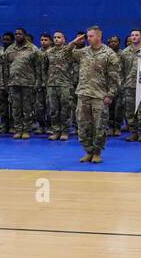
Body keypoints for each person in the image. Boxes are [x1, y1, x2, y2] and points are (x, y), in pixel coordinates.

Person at [64, 27, 120, 163]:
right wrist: (73, 43)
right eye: (87, 36)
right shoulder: (83, 52)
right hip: (83, 93)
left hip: (99, 95)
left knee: (99, 126)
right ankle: (88, 151)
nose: (88, 39)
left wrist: (110, 95)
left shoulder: (109, 54)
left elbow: (115, 77)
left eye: (91, 36)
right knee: (83, 125)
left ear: (99, 37)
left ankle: (97, 152)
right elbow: (65, 55)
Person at [45, 31, 76, 141]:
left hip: (65, 84)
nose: (56, 39)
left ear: (64, 39)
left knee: (65, 109)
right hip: (52, 84)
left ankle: (65, 131)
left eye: (59, 37)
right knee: (53, 109)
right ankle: (56, 131)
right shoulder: (49, 52)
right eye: (54, 37)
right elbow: (45, 68)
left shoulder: (69, 51)